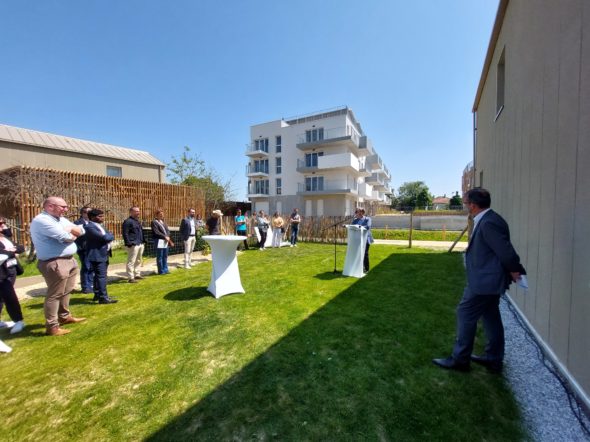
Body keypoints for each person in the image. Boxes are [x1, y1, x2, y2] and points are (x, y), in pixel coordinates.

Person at [433, 188, 526, 373]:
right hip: (487, 280)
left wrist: (516, 269)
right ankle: (493, 359)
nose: (465, 206)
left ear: (473, 205)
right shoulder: (489, 219)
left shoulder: (489, 223)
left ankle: (460, 359)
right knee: (491, 317)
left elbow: (505, 250)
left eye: (466, 203)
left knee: (465, 313)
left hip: (484, 282)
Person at [30, 196, 87, 336]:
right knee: (54, 295)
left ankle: (64, 317)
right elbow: (67, 237)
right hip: (55, 262)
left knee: (67, 291)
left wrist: (71, 231)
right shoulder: (41, 221)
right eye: (63, 207)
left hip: (69, 260)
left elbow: (82, 230)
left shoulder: (60, 220)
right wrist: (72, 232)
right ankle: (52, 327)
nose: (66, 209)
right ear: (50, 206)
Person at [85, 209, 117, 304]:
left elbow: (110, 235)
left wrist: (109, 236)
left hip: (104, 254)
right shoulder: (89, 227)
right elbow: (105, 237)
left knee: (99, 276)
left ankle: (98, 294)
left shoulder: (100, 226)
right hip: (97, 255)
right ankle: (103, 297)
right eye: (100, 216)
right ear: (92, 217)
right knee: (101, 277)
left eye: (102, 216)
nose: (102, 218)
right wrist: (109, 236)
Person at [0, 217, 26, 334]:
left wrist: (12, 249)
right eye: (1, 224)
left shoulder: (4, 237)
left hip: (10, 270)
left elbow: (21, 248)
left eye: (4, 223)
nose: (3, 226)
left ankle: (18, 321)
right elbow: (3, 252)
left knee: (9, 296)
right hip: (2, 270)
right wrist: (11, 251)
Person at [122, 206, 145, 284]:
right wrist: (128, 243)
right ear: (131, 212)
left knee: (138, 260)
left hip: (140, 243)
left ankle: (137, 274)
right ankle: (130, 277)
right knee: (131, 261)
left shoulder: (137, 221)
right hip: (133, 244)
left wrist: (143, 241)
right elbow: (125, 233)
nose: (138, 212)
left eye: (138, 211)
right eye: (136, 211)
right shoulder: (127, 221)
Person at [74, 206, 94, 294]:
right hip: (84, 248)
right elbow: (79, 235)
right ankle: (85, 286)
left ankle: (91, 284)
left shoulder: (92, 222)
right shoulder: (78, 222)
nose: (89, 214)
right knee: (86, 266)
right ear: (83, 213)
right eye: (87, 212)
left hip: (92, 248)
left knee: (91, 267)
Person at [151, 209, 174, 275]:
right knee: (160, 256)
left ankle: (166, 269)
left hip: (165, 241)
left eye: (162, 214)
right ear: (156, 215)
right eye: (160, 214)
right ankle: (161, 271)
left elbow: (167, 230)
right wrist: (165, 237)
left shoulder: (163, 222)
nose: (162, 215)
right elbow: (156, 232)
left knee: (165, 256)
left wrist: (168, 236)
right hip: (159, 241)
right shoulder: (154, 222)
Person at [351, 208, 374, 273]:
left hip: (366, 239)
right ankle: (359, 267)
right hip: (358, 239)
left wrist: (358, 227)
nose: (357, 213)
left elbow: (368, 227)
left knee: (365, 253)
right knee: (358, 253)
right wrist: (346, 226)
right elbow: (352, 227)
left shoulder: (367, 219)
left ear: (362, 212)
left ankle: (366, 269)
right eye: (357, 212)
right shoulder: (355, 220)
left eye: (359, 212)